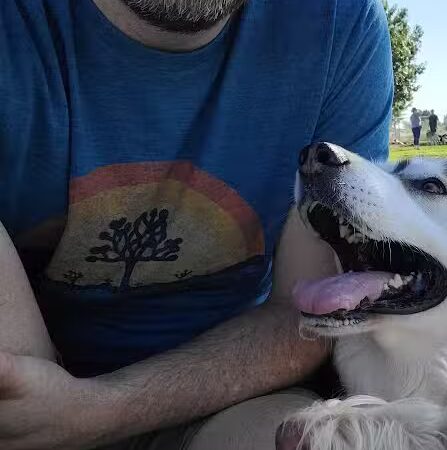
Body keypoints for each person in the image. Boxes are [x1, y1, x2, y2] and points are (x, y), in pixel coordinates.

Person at [0, 1, 393, 449]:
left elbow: (305, 314)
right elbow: (22, 400)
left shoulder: (337, 24)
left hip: (233, 392)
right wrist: (64, 414)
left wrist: (98, 409)